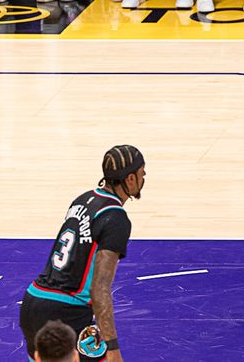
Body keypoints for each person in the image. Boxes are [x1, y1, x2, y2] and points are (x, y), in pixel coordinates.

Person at [19, 145, 146, 362]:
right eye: (142, 174)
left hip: (33, 302)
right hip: (66, 310)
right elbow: (100, 287)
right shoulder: (116, 218)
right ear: (131, 178)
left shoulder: (81, 200)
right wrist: (112, 347)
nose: (144, 179)